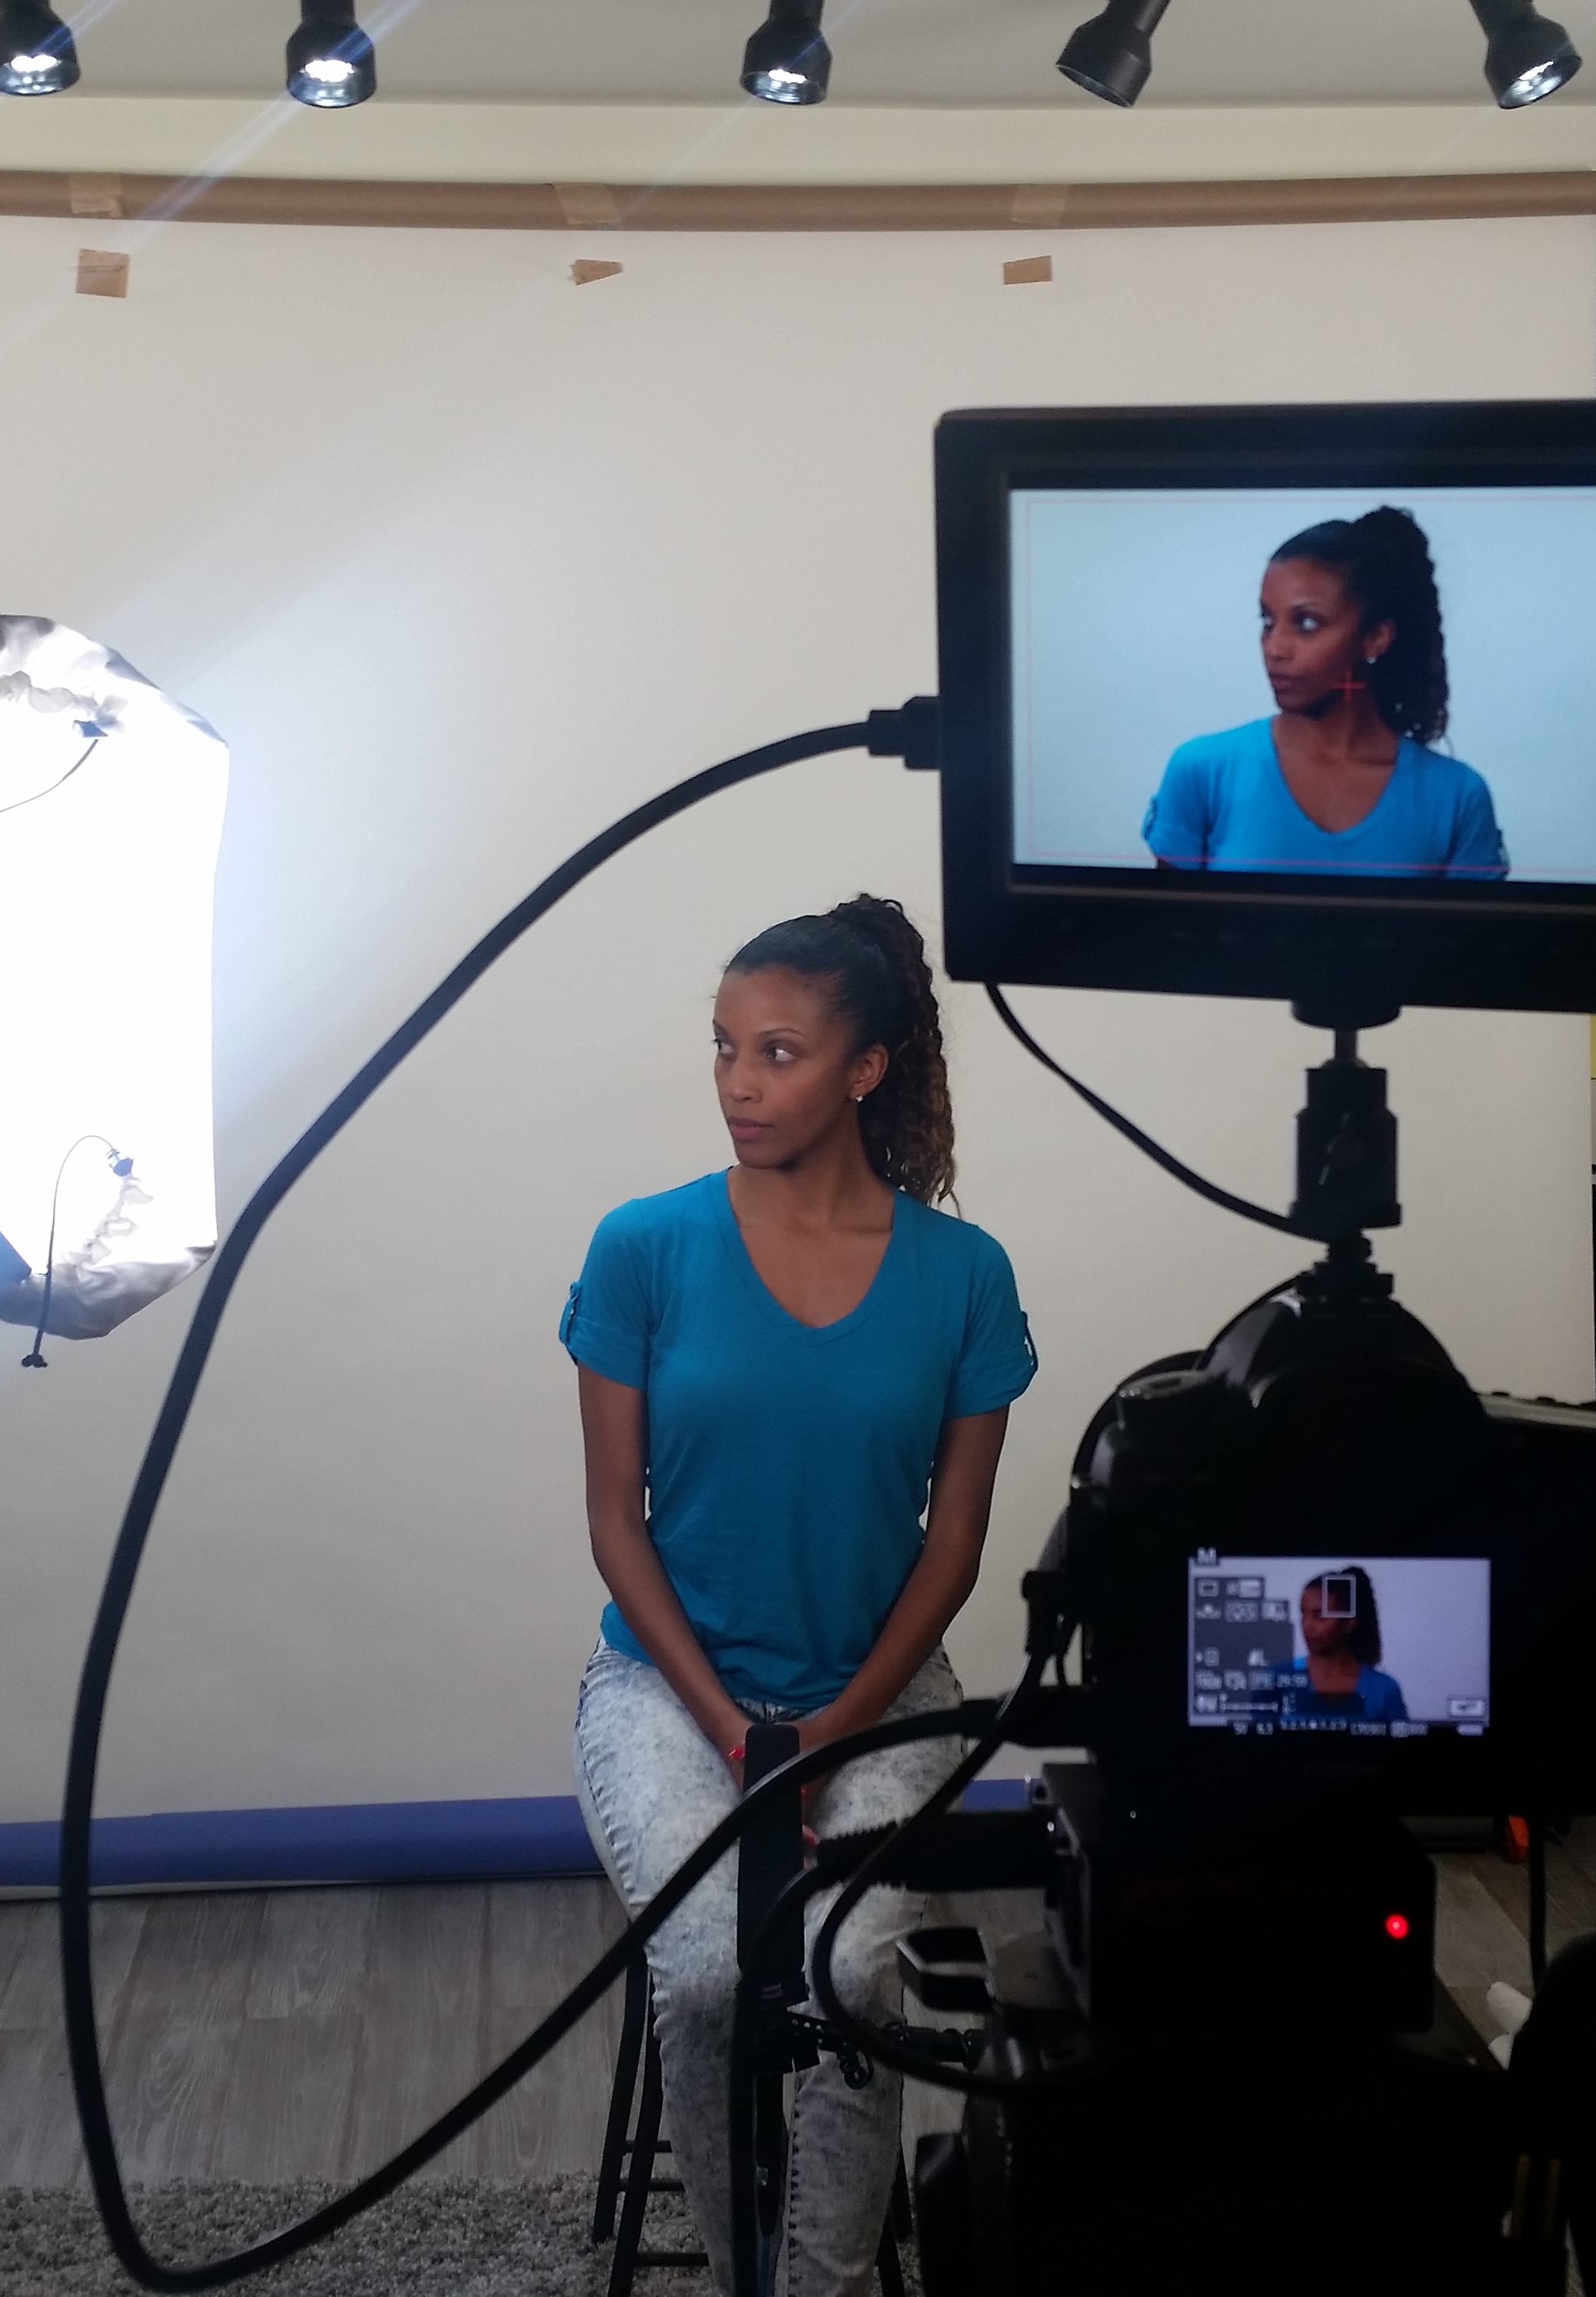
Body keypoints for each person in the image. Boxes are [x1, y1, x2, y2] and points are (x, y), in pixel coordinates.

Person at [564, 895, 1036, 2297]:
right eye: (724, 1048)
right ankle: (744, 2278)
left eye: (776, 1052)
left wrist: (836, 1728)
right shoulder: (642, 1247)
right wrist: (732, 1726)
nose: (738, 1083)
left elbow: (953, 1545)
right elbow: (614, 1520)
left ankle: (823, 2284)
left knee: (853, 1977)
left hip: (881, 1695)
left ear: (864, 1069)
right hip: (667, 1691)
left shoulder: (964, 1275)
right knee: (711, 1978)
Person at [1143, 507, 1510, 878]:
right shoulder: (1202, 772)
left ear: (1376, 638)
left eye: (1306, 623)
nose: (1275, 648)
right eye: (1268, 621)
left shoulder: (1456, 797)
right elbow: (1163, 915)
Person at [1279, 1566, 1412, 1729]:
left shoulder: (1384, 1689)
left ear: (1350, 1621)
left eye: (1320, 1615)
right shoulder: (1277, 1680)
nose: (1307, 1626)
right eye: (1303, 1614)